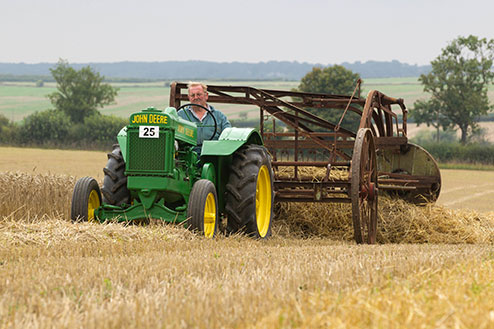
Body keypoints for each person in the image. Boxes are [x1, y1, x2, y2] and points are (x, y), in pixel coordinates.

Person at [177, 82, 231, 154]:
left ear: (206, 96)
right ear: (189, 97)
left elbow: (228, 135)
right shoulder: (180, 115)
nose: (196, 97)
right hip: (187, 155)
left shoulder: (219, 116)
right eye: (193, 95)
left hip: (213, 154)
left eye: (199, 94)